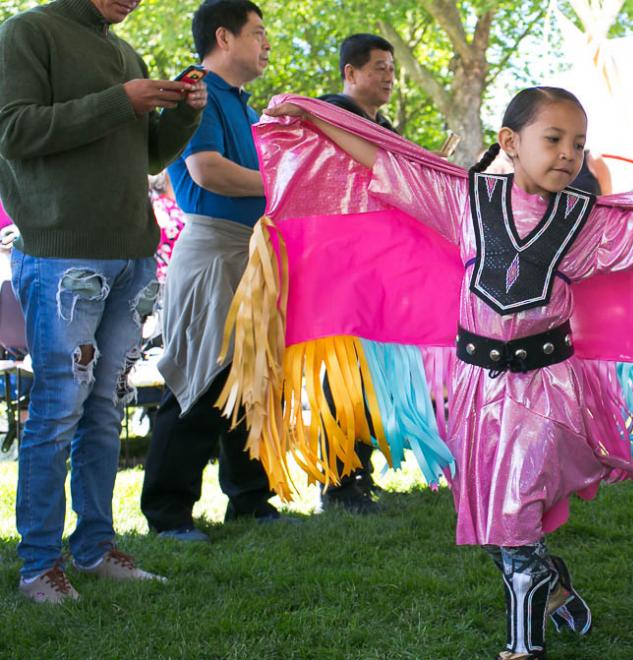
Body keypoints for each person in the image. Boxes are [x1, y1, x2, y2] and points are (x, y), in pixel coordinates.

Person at [267, 86, 633, 659]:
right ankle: (552, 581)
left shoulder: (584, 222)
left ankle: (523, 644)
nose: (568, 153)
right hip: (475, 389)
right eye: (554, 139)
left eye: (579, 144)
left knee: (513, 514)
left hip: (545, 388)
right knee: (491, 523)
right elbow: (382, 160)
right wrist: (315, 118)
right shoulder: (464, 199)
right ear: (510, 143)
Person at [0, 0, 207, 603]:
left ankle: (93, 550)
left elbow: (145, 156)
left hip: (132, 251)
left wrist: (182, 115)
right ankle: (39, 565)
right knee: (59, 410)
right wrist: (123, 99)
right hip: (62, 252)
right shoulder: (26, 32)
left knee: (103, 410)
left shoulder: (123, 51)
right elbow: (13, 131)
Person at [140, 0, 280, 543]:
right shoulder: (193, 87)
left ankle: (249, 498)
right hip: (213, 249)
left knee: (249, 378)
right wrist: (279, 186)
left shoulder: (244, 107)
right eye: (258, 33)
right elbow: (207, 170)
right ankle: (168, 513)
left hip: (252, 252)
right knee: (196, 378)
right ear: (224, 36)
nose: (267, 44)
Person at [314, 32, 396, 513]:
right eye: (379, 67)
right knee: (342, 376)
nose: (388, 76)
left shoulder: (380, 125)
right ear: (350, 72)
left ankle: (357, 473)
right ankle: (338, 482)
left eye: (391, 68)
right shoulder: (329, 114)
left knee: (369, 375)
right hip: (341, 267)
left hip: (376, 268)